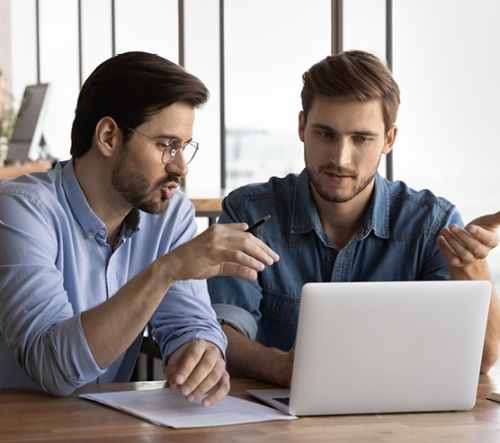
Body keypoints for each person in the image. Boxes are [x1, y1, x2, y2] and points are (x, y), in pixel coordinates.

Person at [208, 50, 500, 387]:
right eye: (325, 134)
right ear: (302, 127)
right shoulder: (249, 212)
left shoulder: (431, 224)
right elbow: (220, 331)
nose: (340, 159)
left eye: (361, 139)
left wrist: (472, 269)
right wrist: (282, 368)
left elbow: (481, 361)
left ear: (388, 140)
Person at [0, 51, 278, 405]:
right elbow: (53, 368)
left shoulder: (169, 212)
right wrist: (166, 271)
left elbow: (189, 324)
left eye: (185, 147)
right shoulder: (21, 211)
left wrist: (201, 353)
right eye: (167, 145)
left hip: (107, 424)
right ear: (108, 136)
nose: (181, 167)